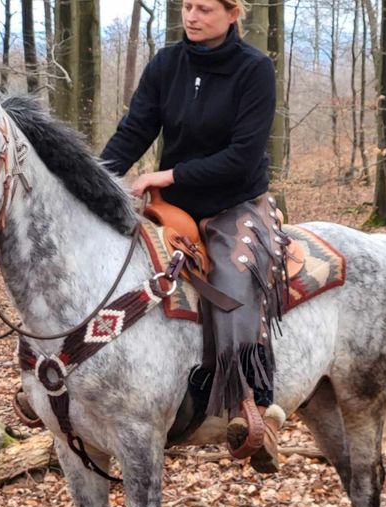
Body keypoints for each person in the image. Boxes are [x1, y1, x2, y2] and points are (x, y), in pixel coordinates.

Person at [101, 0, 287, 473]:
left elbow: (244, 156)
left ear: (232, 14)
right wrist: (95, 180)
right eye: (187, 6)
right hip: (174, 205)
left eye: (204, 8)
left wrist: (169, 175)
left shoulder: (255, 69)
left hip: (235, 201)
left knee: (233, 275)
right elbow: (135, 129)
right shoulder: (167, 63)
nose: (192, 16)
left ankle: (253, 406)